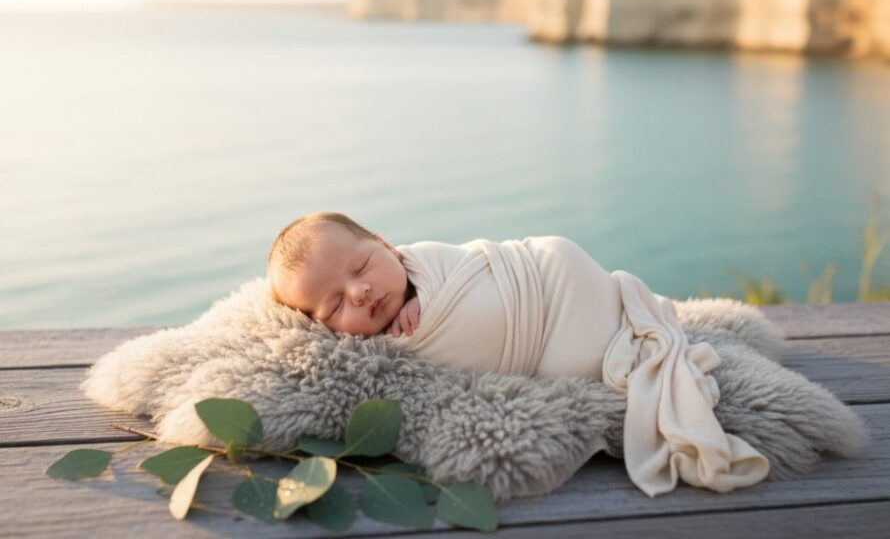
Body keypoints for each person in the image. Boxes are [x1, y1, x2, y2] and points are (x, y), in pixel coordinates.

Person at [267, 211, 770, 497]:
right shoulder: (376, 354)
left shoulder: (424, 261)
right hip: (540, 323)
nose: (359, 293)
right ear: (318, 325)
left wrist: (424, 299)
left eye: (361, 266)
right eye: (335, 305)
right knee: (568, 365)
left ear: (384, 243)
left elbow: (475, 262)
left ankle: (617, 321)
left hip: (550, 272)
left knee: (581, 355)